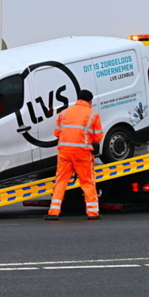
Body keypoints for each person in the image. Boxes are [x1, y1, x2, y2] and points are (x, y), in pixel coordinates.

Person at [46, 90, 103, 221]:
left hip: (64, 152)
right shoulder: (93, 115)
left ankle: (53, 212)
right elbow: (98, 136)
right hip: (82, 153)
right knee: (87, 182)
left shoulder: (64, 113)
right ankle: (93, 213)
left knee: (60, 181)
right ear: (90, 101)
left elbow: (56, 133)